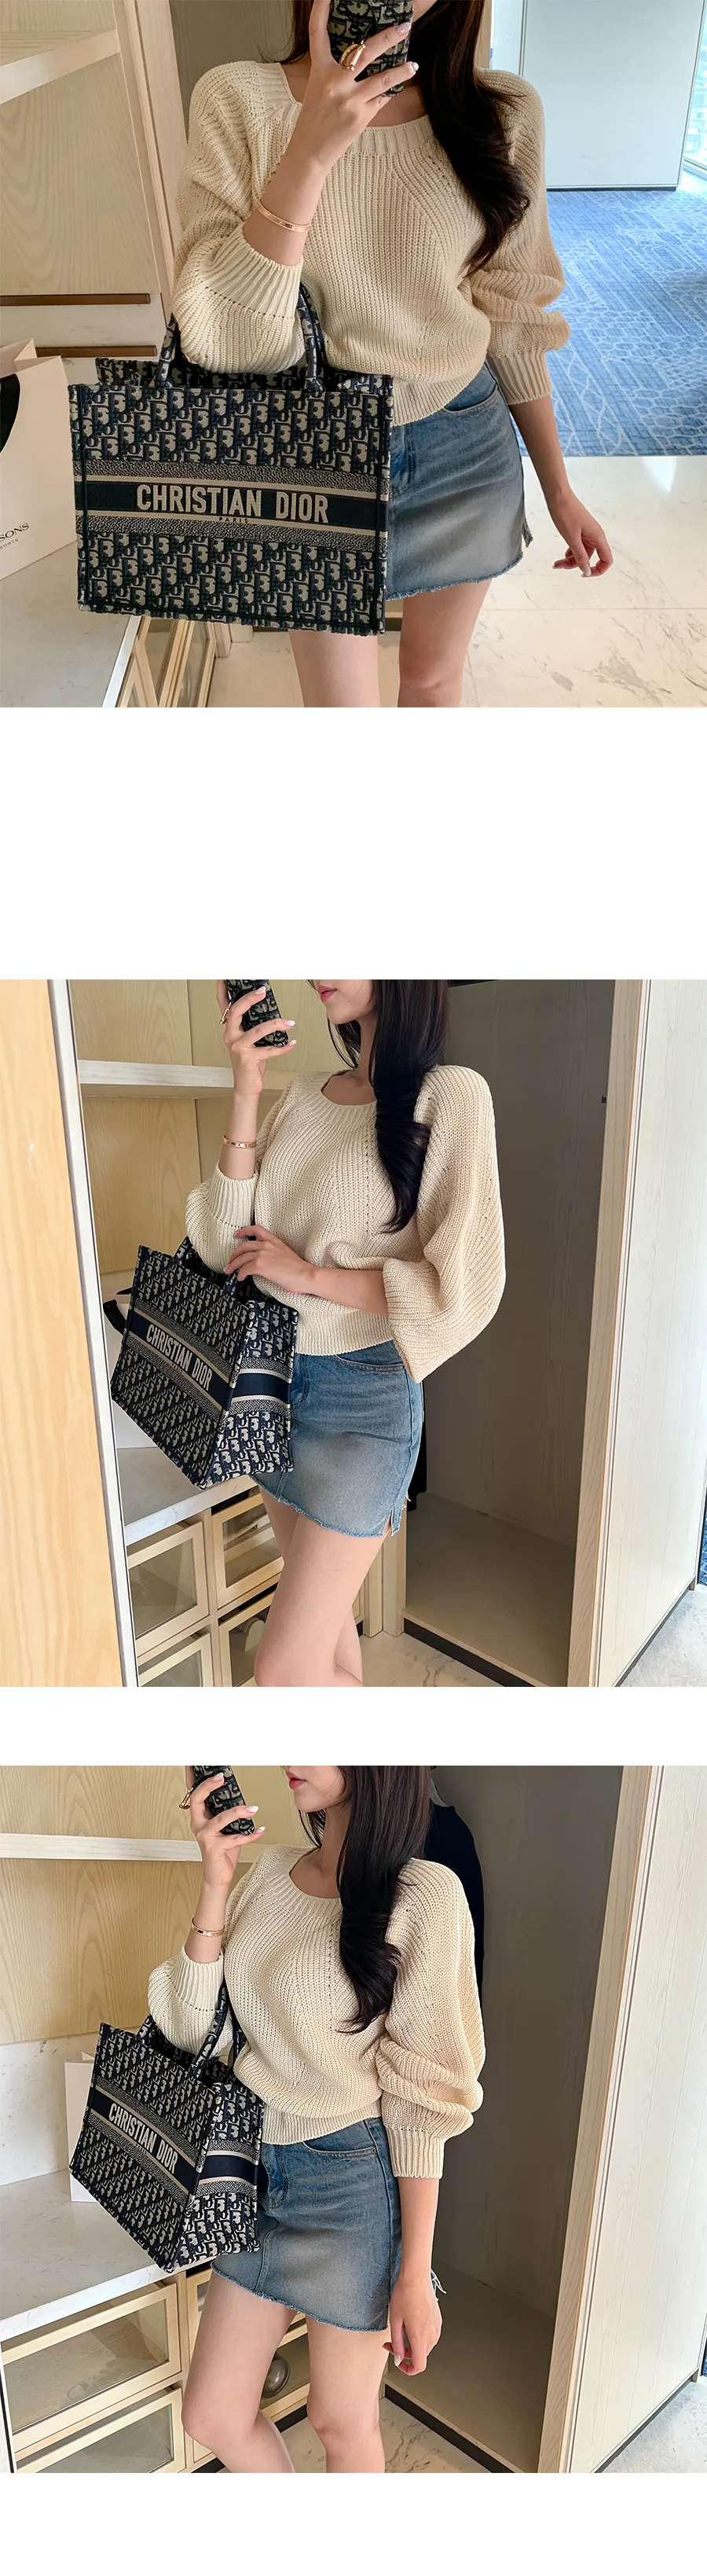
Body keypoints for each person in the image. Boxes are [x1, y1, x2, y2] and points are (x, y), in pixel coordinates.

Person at [171, 0, 613, 709]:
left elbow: (513, 315)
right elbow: (227, 339)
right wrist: (309, 154)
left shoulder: (502, 112)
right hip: (309, 453)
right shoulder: (237, 100)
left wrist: (558, 488)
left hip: (463, 445)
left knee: (434, 684)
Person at [148, 1765, 485, 2475]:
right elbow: (188, 2029)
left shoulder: (427, 1895)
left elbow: (423, 2099)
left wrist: (414, 2272)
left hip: (350, 2183)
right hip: (250, 2173)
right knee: (211, 2412)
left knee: (341, 2420)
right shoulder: (270, 1874)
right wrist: (215, 1880)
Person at [185, 979, 505, 1685]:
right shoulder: (303, 1097)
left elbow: (463, 1288)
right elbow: (218, 1241)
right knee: (327, 1644)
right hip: (269, 1386)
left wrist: (308, 1275)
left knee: (283, 1669)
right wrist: (246, 1087)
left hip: (363, 1403)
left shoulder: (452, 1095)